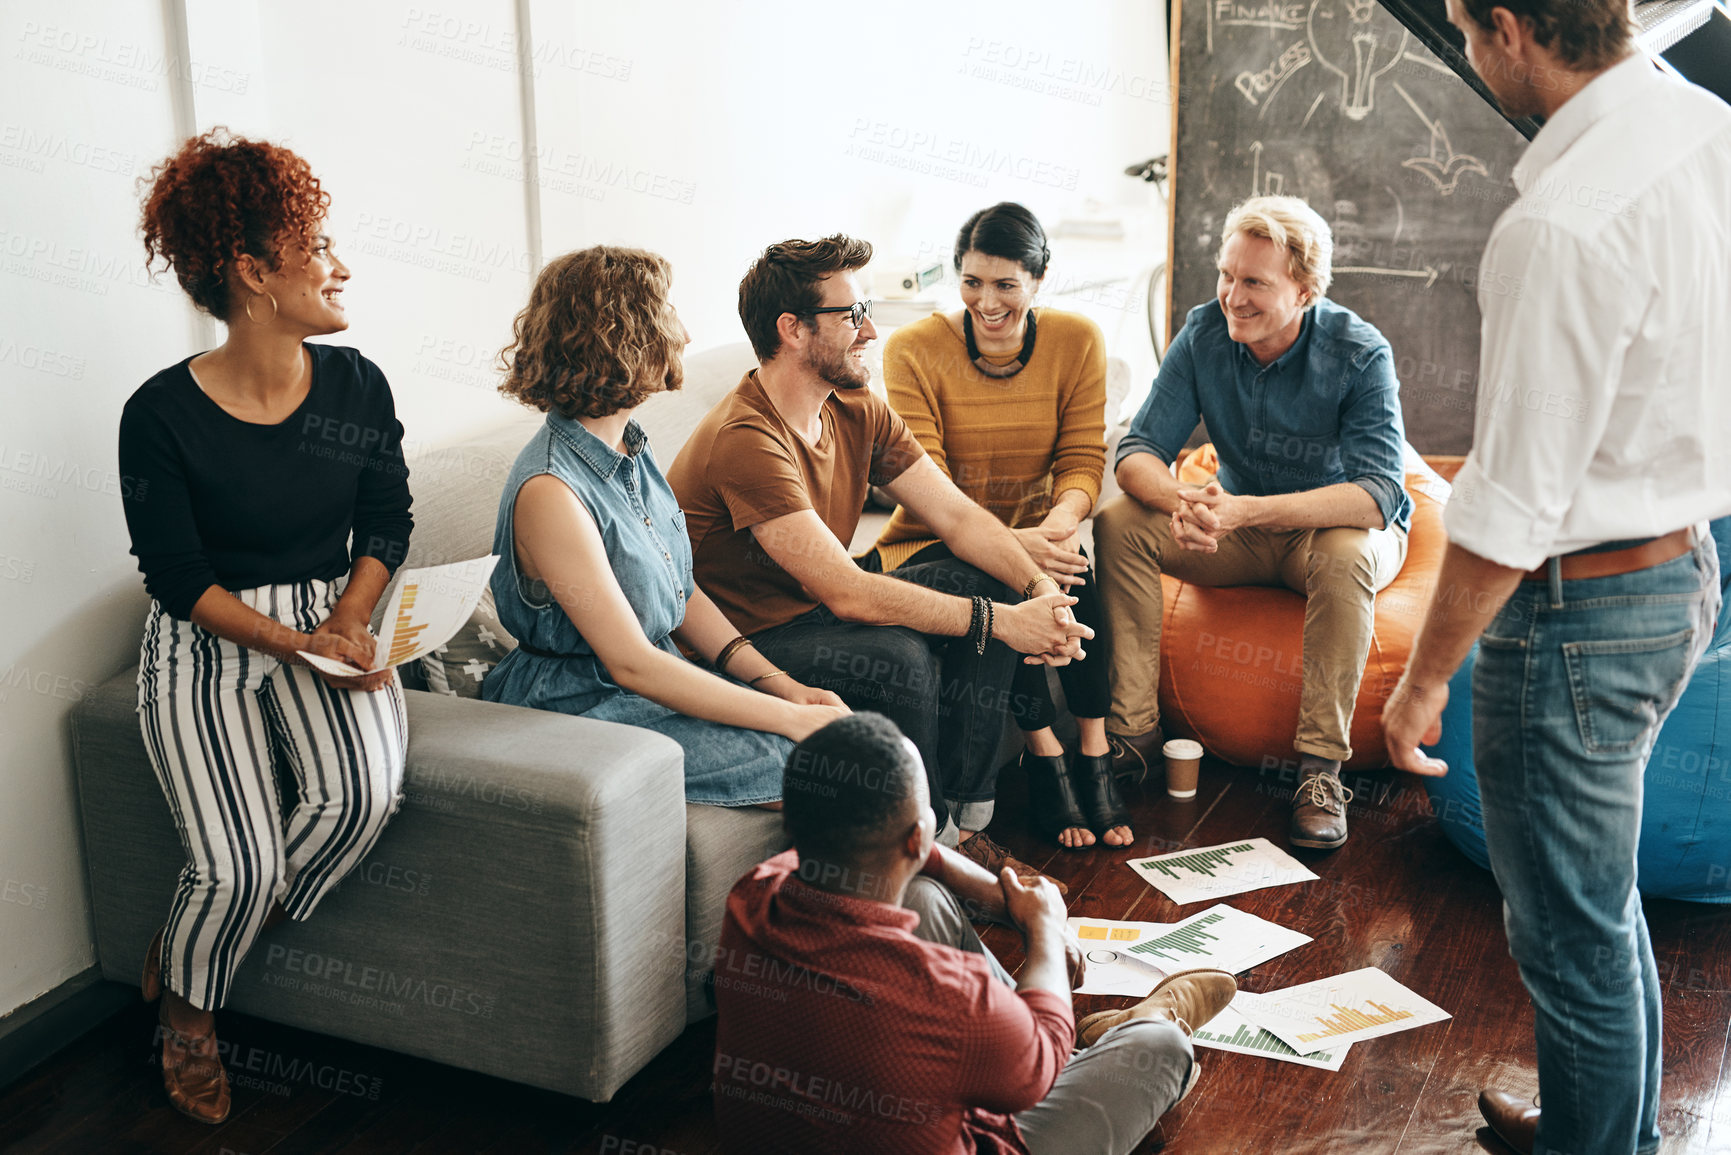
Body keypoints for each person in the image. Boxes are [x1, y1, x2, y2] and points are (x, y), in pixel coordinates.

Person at [1380, 1, 1731, 1148]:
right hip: (1684, 568)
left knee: (1566, 936)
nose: (1468, 53)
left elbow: (1508, 506)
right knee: (1599, 900)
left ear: (1512, 28)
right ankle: (1606, 1129)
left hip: (1583, 608)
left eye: (1464, 31)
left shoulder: (1560, 227)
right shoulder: (1706, 125)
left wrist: (1424, 677)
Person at [120, 129, 413, 1123]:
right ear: (253, 272)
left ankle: (200, 930)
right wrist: (297, 644)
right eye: (317, 245)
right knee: (232, 864)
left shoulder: (358, 385)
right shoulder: (158, 415)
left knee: (364, 798)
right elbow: (177, 578)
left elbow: (387, 521)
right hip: (210, 636)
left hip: (331, 620)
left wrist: (351, 615)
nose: (340, 264)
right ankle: (191, 1018)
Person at [667, 235, 1090, 886]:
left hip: (816, 609)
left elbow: (957, 516)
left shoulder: (854, 402)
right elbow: (848, 594)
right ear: (794, 330)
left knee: (995, 583)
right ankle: (934, 853)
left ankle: (965, 828)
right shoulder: (746, 440)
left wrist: (1038, 594)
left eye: (866, 308)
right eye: (850, 315)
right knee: (900, 659)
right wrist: (1005, 626)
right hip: (748, 639)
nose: (869, 330)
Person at [711, 712, 1237, 1155]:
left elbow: (922, 857)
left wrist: (997, 895)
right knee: (1163, 1049)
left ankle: (1058, 1043)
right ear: (917, 835)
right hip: (997, 1103)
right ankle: (1137, 1026)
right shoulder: (941, 989)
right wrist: (1045, 930)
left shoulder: (753, 893)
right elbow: (1044, 1058)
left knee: (923, 896)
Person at [1094, 195, 1411, 851]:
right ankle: (1133, 736)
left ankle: (1320, 771)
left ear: (1303, 289)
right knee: (1120, 521)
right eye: (1226, 275)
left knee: (1347, 552)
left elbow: (1377, 494)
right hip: (1234, 526)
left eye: (1253, 283)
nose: (1231, 296)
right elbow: (1136, 451)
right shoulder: (1204, 331)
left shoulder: (1358, 351)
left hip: (1328, 534)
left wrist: (1244, 511)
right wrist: (1182, 502)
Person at [481, 246, 849, 803]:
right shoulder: (551, 491)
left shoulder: (630, 445)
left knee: (852, 747)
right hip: (581, 708)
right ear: (623, 334)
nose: (684, 331)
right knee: (828, 766)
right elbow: (631, 663)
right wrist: (786, 719)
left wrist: (778, 684)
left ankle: (964, 888)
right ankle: (981, 891)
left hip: (649, 684)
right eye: (668, 311)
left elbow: (682, 590)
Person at [869, 202, 1127, 851]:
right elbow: (933, 492)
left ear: (1038, 280)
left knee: (1072, 567)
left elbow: (1080, 461)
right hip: (929, 538)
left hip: (1040, 531)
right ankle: (1046, 753)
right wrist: (1019, 548)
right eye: (972, 282)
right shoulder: (912, 350)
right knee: (1008, 578)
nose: (987, 301)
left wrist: (1060, 525)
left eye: (1006, 284)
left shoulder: (1077, 341)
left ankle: (1093, 747)